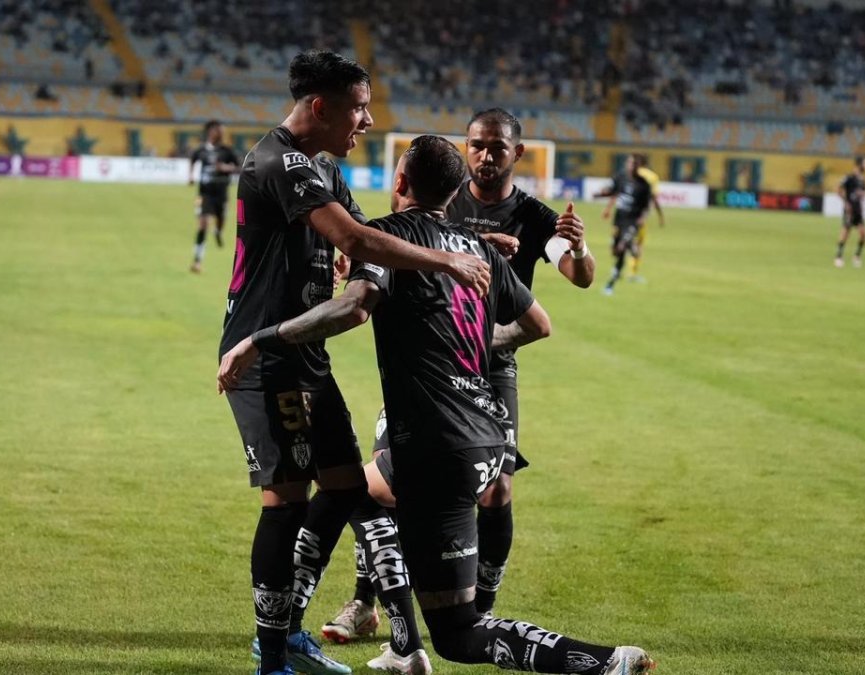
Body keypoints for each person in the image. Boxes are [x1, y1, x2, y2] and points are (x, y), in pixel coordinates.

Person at [220, 135, 653, 675]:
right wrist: (465, 347)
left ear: (399, 181)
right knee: (455, 617)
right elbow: (538, 324)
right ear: (455, 191)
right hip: (487, 435)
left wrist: (263, 339)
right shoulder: (480, 251)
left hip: (432, 443)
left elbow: (354, 309)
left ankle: (389, 636)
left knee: (359, 496)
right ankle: (607, 661)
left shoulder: (384, 237)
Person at [217, 51, 491, 675]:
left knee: (343, 485)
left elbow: (370, 234)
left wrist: (468, 240)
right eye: (360, 106)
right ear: (321, 106)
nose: (368, 120)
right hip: (265, 353)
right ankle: (274, 655)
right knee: (285, 501)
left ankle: (289, 637)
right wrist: (449, 261)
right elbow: (357, 240)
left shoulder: (323, 170)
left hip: (304, 355)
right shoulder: (280, 161)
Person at [322, 108, 596, 658]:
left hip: (491, 364)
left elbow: (576, 277)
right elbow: (395, 244)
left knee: (496, 489)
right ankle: (365, 602)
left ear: (518, 153)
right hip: (431, 367)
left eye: (497, 147)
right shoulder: (446, 195)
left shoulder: (534, 216)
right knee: (387, 474)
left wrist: (581, 249)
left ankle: (480, 608)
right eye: (476, 145)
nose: (485, 155)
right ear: (463, 152)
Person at [598, 155, 655, 296]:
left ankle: (610, 285)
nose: (632, 166)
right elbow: (612, 191)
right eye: (630, 163)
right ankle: (631, 247)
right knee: (615, 251)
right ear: (627, 164)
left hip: (633, 221)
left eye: (635, 164)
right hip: (619, 220)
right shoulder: (621, 177)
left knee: (621, 249)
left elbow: (648, 206)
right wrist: (606, 203)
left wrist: (643, 218)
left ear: (639, 166)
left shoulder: (644, 184)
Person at [188, 120, 240, 273]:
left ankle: (218, 231)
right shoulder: (202, 150)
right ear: (211, 131)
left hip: (222, 193)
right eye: (219, 130)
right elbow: (193, 160)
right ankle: (197, 261)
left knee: (220, 219)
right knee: (203, 224)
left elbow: (238, 167)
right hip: (205, 193)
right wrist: (190, 175)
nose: (222, 133)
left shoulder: (227, 151)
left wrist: (225, 167)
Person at [627, 154, 664, 282]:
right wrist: (660, 215)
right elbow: (653, 198)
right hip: (639, 215)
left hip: (624, 213)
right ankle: (632, 273)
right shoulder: (652, 176)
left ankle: (617, 268)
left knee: (624, 240)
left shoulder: (629, 173)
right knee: (639, 243)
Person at [835, 156, 865, 268]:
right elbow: (838, 189)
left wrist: (863, 197)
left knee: (863, 235)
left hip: (858, 210)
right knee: (846, 233)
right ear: (859, 165)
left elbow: (863, 193)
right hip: (850, 210)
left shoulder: (862, 180)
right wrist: (845, 202)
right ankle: (839, 256)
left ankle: (857, 256)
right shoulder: (849, 177)